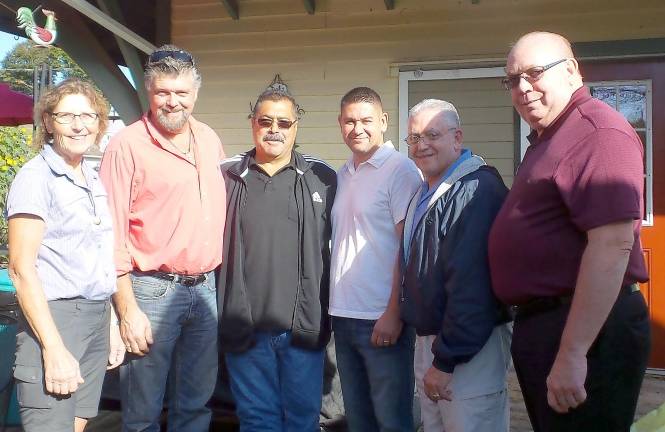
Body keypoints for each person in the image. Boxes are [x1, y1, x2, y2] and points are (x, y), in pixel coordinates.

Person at [489, 31, 650, 432]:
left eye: (534, 73)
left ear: (572, 71)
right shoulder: (550, 137)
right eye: (512, 79)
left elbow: (612, 245)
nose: (522, 88)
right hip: (548, 324)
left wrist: (573, 352)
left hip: (587, 333)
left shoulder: (598, 132)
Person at [99, 45, 226, 431]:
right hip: (149, 291)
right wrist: (126, 310)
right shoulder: (127, 145)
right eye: (163, 93)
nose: (173, 102)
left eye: (181, 92)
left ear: (195, 94)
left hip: (205, 289)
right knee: (143, 412)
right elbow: (110, 234)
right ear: (150, 93)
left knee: (197, 405)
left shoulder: (208, 139)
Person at [217, 82, 336, 432]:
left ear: (296, 127)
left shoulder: (323, 178)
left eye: (284, 123)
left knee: (302, 421)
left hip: (302, 329)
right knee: (256, 421)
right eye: (265, 121)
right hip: (245, 328)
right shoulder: (226, 176)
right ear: (253, 122)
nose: (274, 130)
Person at [7, 78, 124, 432]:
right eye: (67, 115)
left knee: (77, 422)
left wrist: (114, 323)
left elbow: (102, 254)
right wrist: (53, 348)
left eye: (88, 115)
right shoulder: (36, 178)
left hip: (97, 316)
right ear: (47, 122)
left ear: (100, 123)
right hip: (56, 320)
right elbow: (21, 269)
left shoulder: (91, 176)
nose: (79, 125)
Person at [400, 99, 511, 432]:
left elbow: (473, 285)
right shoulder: (428, 190)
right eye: (414, 138)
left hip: (466, 349)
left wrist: (447, 359)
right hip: (434, 340)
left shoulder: (477, 190)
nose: (422, 145)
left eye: (432, 135)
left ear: (457, 138)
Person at [329, 87, 421, 432]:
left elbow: (408, 248)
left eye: (366, 120)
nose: (358, 129)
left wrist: (394, 312)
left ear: (383, 121)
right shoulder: (342, 174)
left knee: (392, 421)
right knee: (358, 420)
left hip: (380, 319)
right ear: (340, 124)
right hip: (343, 315)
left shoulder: (400, 171)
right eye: (350, 121)